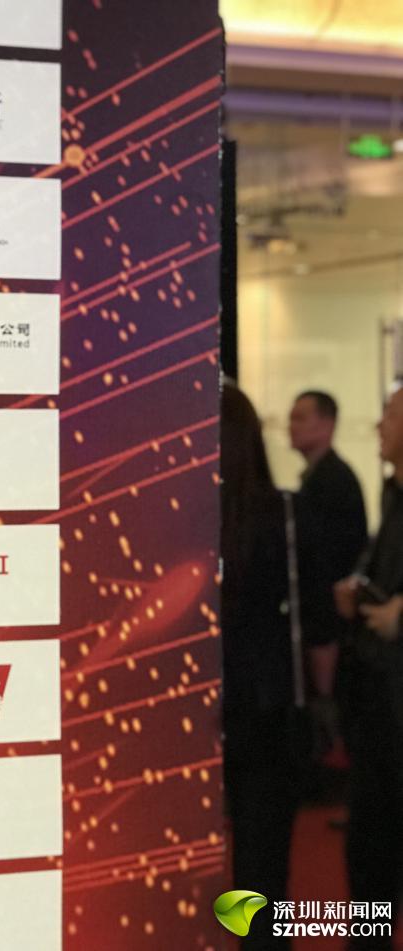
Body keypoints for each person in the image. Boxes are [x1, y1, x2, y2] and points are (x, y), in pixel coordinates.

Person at [221, 382, 300, 949]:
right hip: (267, 701)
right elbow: (305, 618)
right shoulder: (279, 513)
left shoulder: (185, 518)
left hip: (204, 699)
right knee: (263, 851)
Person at [333, 387, 403, 950]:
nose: (378, 426)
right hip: (379, 696)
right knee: (369, 843)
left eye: (389, 415)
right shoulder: (391, 492)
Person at [289, 391, 368, 748]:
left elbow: (325, 570)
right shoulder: (321, 479)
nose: (291, 426)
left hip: (331, 631)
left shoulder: (333, 482)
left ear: (327, 424)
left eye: (301, 417)